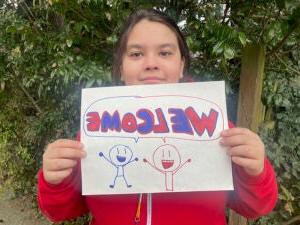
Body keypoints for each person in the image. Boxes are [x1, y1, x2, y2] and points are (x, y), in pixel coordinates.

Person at [37, 9, 278, 225]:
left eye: (164, 53)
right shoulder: (95, 131)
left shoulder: (217, 129)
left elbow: (255, 208)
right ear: (121, 68)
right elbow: (60, 212)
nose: (151, 64)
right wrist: (55, 180)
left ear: (181, 64)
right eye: (136, 54)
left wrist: (255, 171)